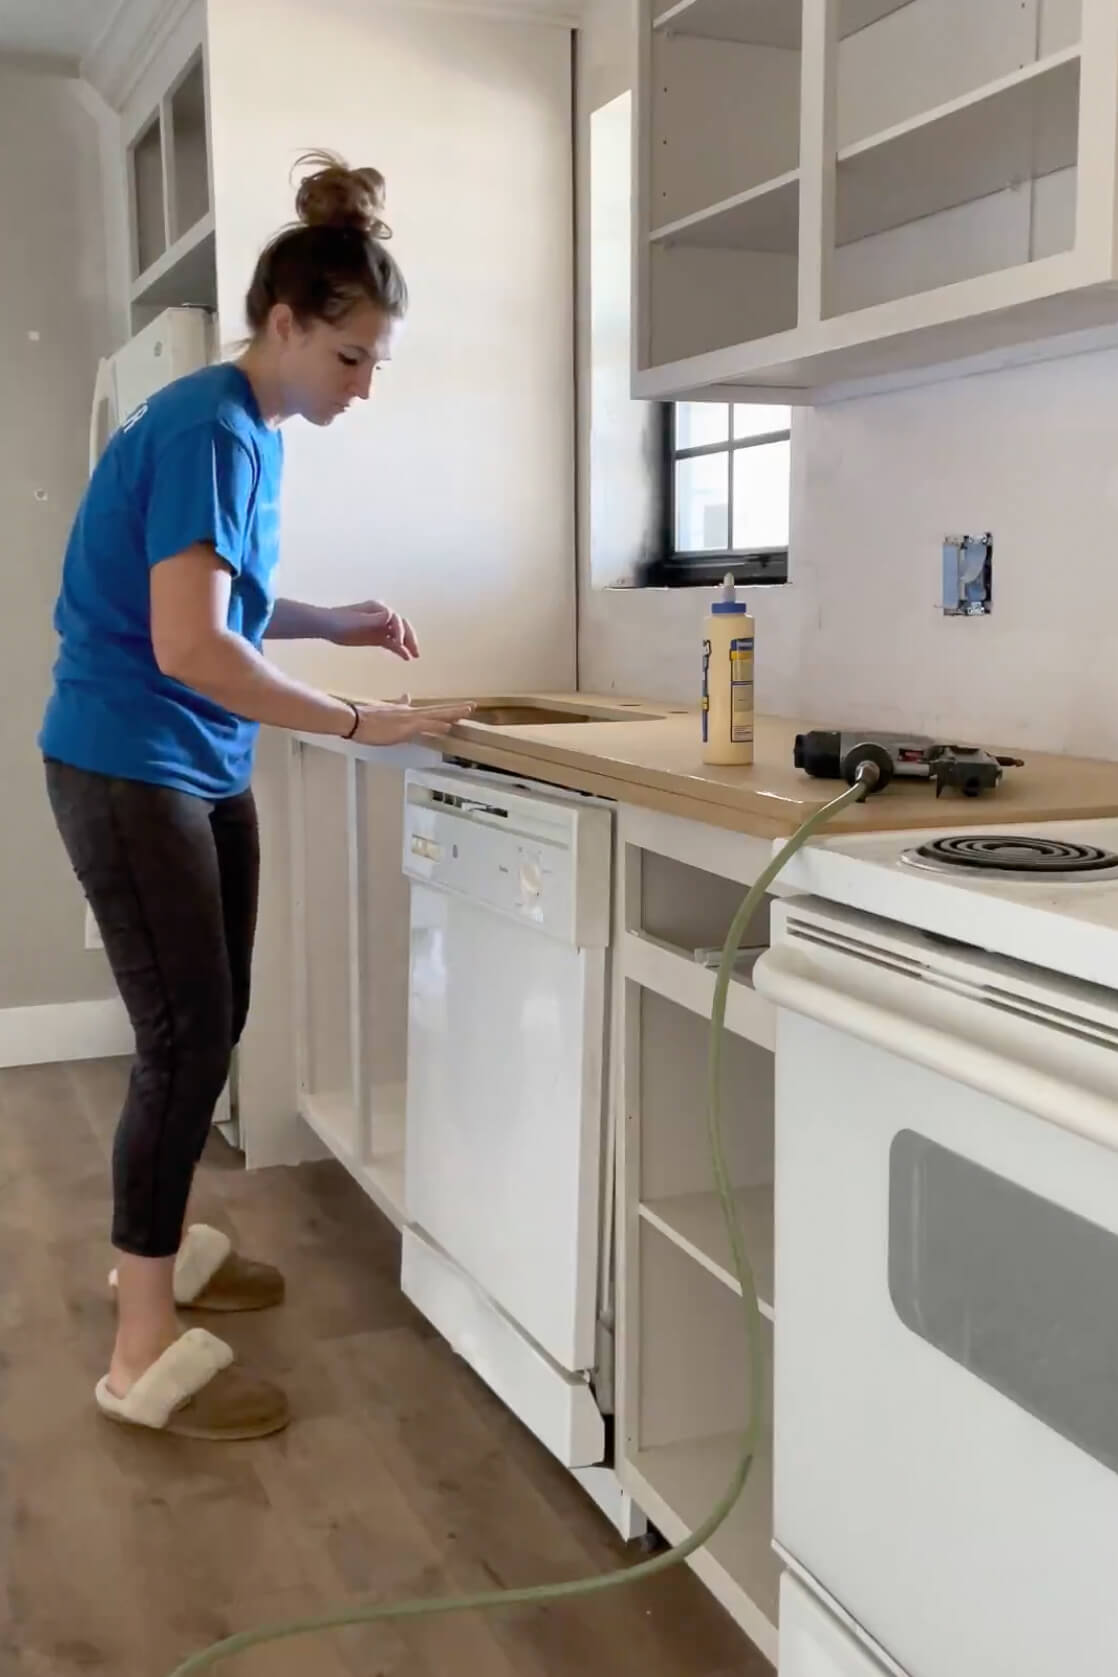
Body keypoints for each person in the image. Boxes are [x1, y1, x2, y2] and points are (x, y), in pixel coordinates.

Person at [39, 152, 471, 1441]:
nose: (364, 386)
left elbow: (212, 597)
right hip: (131, 761)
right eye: (351, 357)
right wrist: (358, 720)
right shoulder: (210, 426)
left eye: (376, 360)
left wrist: (328, 617)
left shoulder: (244, 428)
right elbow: (186, 646)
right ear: (284, 326)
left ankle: (159, 1249)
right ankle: (139, 1346)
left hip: (194, 761)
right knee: (184, 1038)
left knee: (213, 1022)